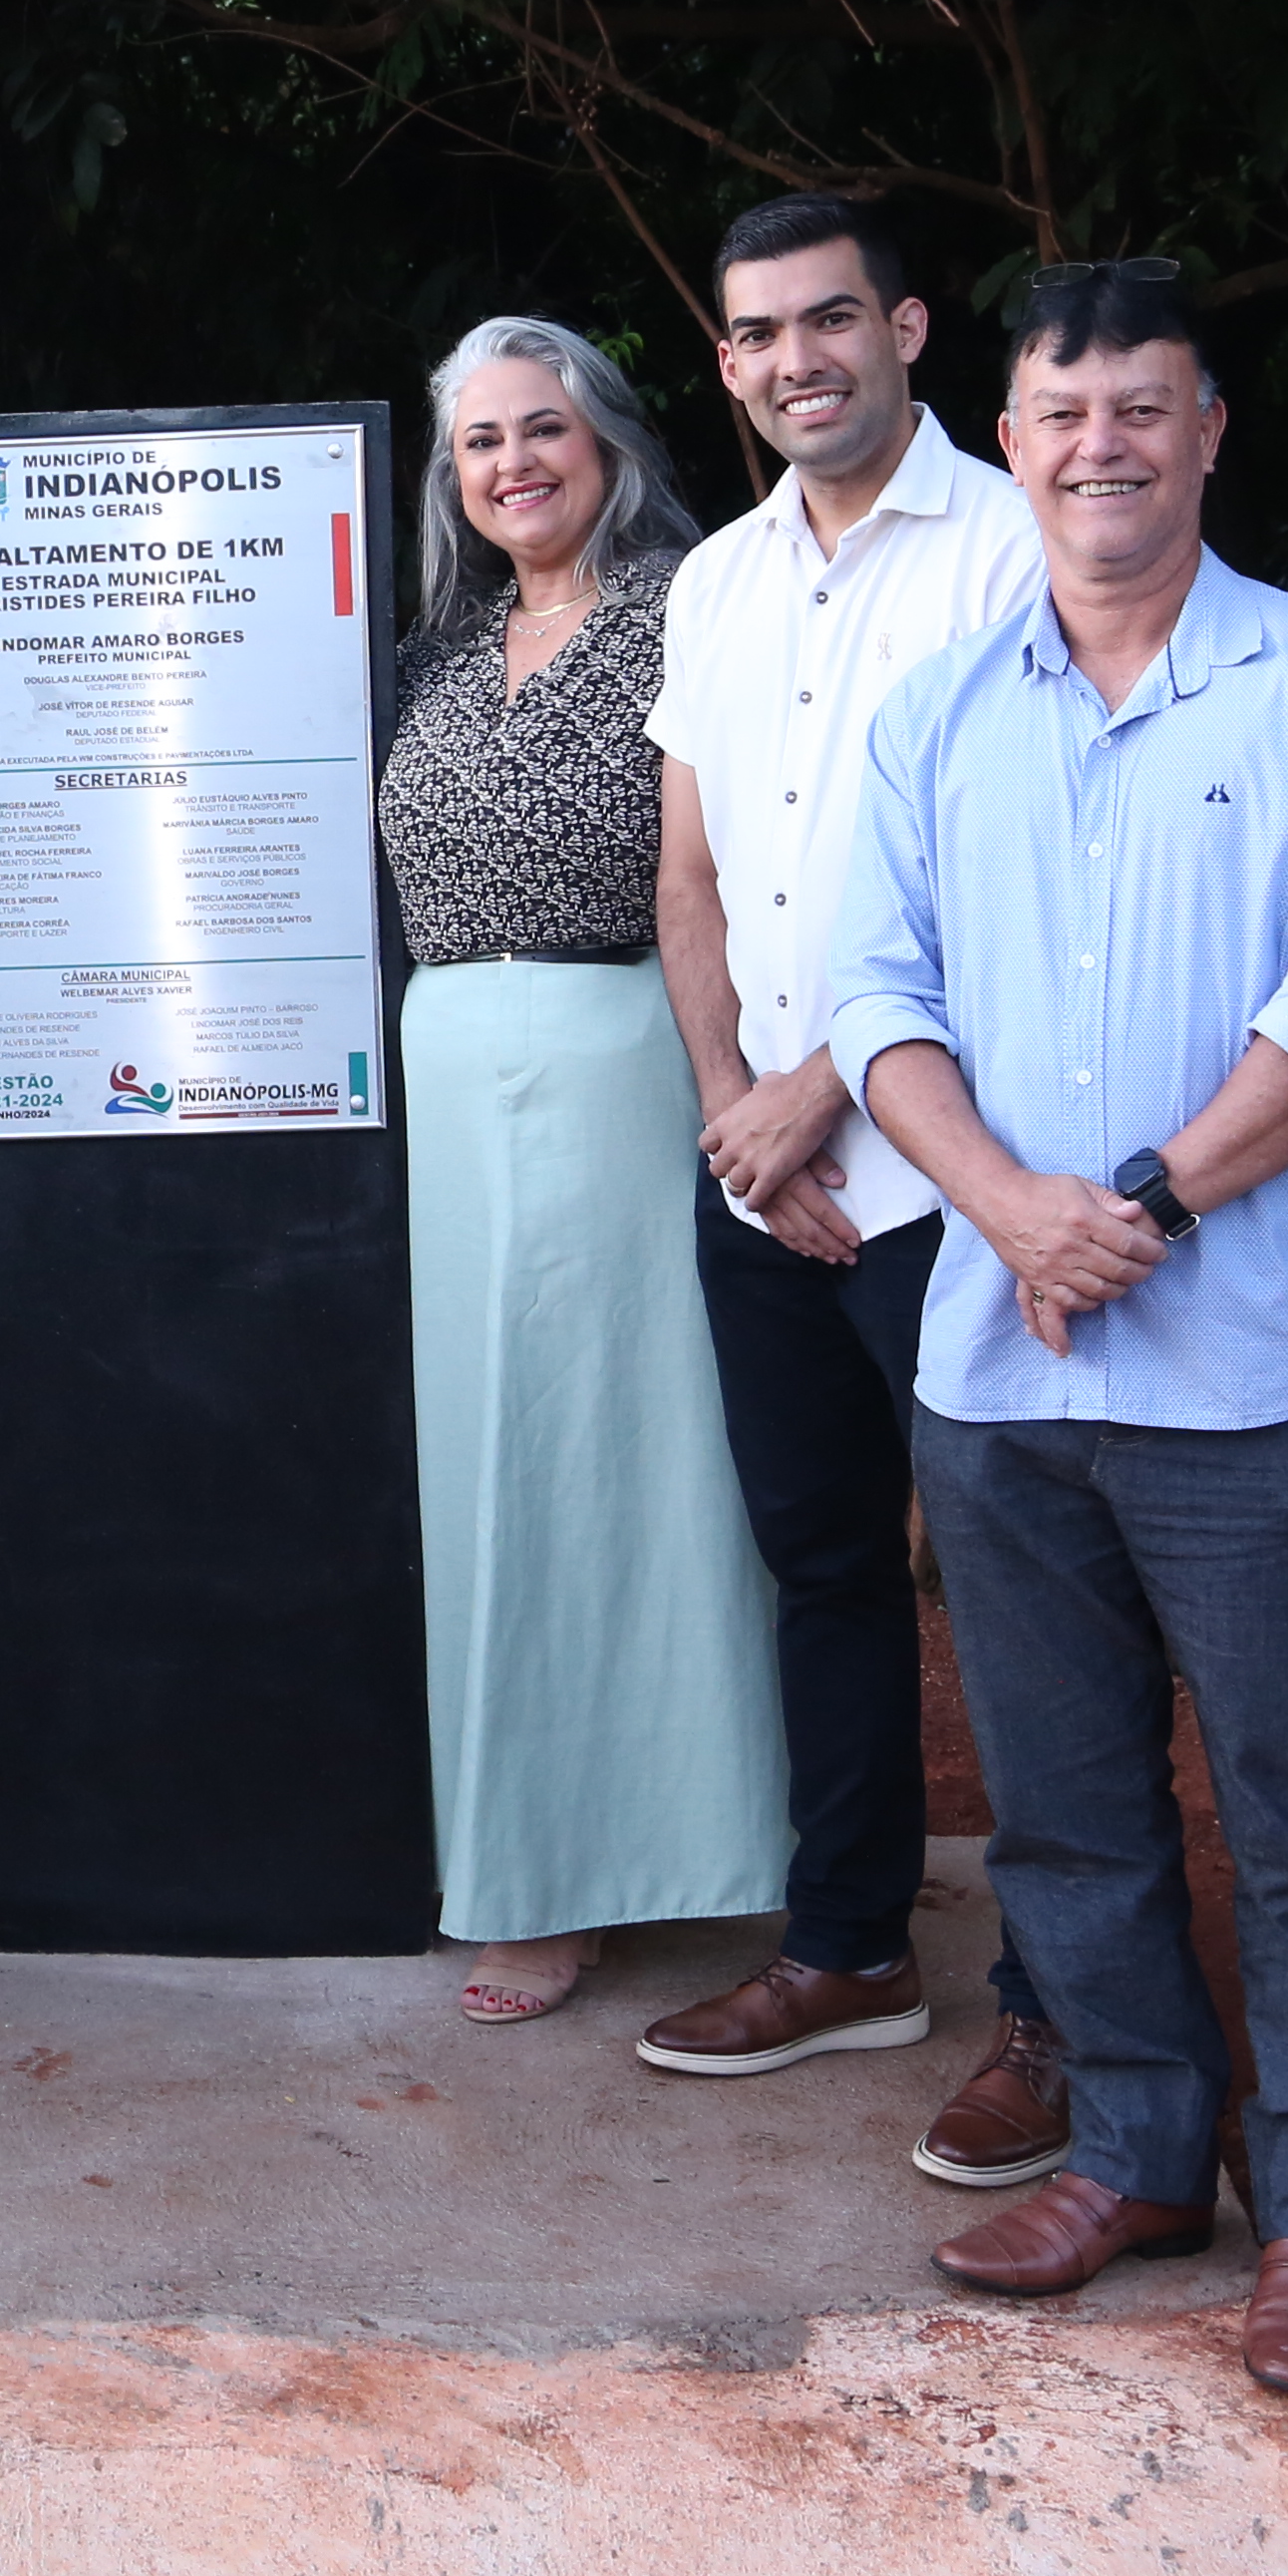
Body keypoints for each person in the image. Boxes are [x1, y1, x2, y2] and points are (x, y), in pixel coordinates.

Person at [820, 259, 1288, 2403]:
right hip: (999, 1368)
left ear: (1208, 431)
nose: (1104, 448)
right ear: (1008, 439)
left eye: (1144, 409)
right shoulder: (936, 711)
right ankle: (1140, 2156)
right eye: (1065, 413)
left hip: (1245, 1367)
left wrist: (1148, 1204)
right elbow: (873, 994)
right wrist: (1006, 1210)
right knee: (1067, 1806)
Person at [640, 193, 1065, 2154]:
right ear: (727, 364)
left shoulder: (1015, 545)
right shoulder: (716, 581)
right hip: (767, 1181)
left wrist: (824, 1091)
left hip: (952, 1175)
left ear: (905, 329)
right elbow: (692, 872)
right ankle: (849, 1945)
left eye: (829, 320)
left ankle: (1061, 2007)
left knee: (1029, 1592)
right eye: (757, 334)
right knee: (821, 1565)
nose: (794, 360)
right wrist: (735, 1101)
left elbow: (1023, 873)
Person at [371, 319, 778, 2019]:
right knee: (488, 1481)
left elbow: (742, 865)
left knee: (632, 1470)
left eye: (541, 429)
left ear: (606, 441)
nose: (512, 464)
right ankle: (520, 1850)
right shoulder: (430, 653)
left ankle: (632, 1862)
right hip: (451, 1090)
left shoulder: (697, 608)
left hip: (628, 1066)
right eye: (479, 442)